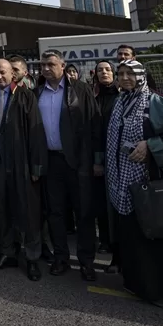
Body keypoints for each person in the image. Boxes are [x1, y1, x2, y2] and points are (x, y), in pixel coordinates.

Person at [104, 60, 163, 307]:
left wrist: (152, 146)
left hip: (150, 182)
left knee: (154, 237)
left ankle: (161, 291)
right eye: (120, 73)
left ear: (142, 76)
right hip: (122, 183)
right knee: (133, 236)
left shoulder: (159, 104)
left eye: (130, 74)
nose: (124, 78)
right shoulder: (119, 102)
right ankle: (138, 284)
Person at [36, 51, 99, 282]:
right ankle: (61, 257)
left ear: (63, 66)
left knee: (83, 212)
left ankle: (86, 262)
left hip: (78, 161)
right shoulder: (38, 92)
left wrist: (96, 160)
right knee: (55, 212)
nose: (45, 69)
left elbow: (94, 125)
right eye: (43, 65)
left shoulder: (80, 90)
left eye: (51, 64)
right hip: (51, 162)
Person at [0, 58, 47, 280]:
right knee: (2, 210)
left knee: (27, 211)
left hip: (22, 164)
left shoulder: (25, 96)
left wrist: (36, 166)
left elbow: (36, 133)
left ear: (13, 74)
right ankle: (7, 252)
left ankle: (31, 258)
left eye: (3, 73)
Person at [89, 60, 118, 259]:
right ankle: (105, 239)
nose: (104, 72)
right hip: (99, 156)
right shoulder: (93, 96)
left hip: (119, 157)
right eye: (100, 70)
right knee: (101, 202)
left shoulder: (120, 95)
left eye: (108, 69)